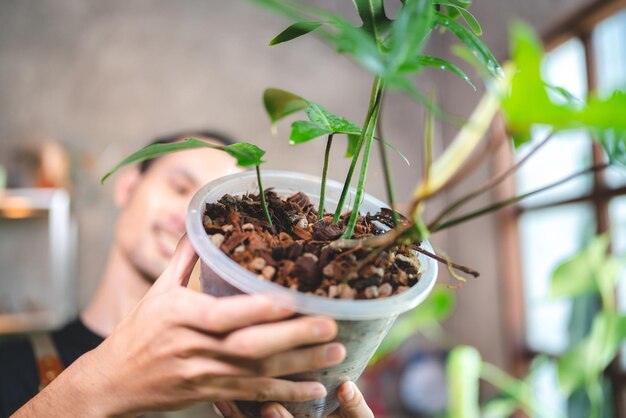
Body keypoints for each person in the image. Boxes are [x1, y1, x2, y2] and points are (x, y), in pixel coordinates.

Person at [0, 132, 373, 418]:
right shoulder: (12, 363)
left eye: (219, 210)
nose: (189, 215)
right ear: (129, 186)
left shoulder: (243, 395)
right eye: (179, 187)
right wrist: (97, 384)